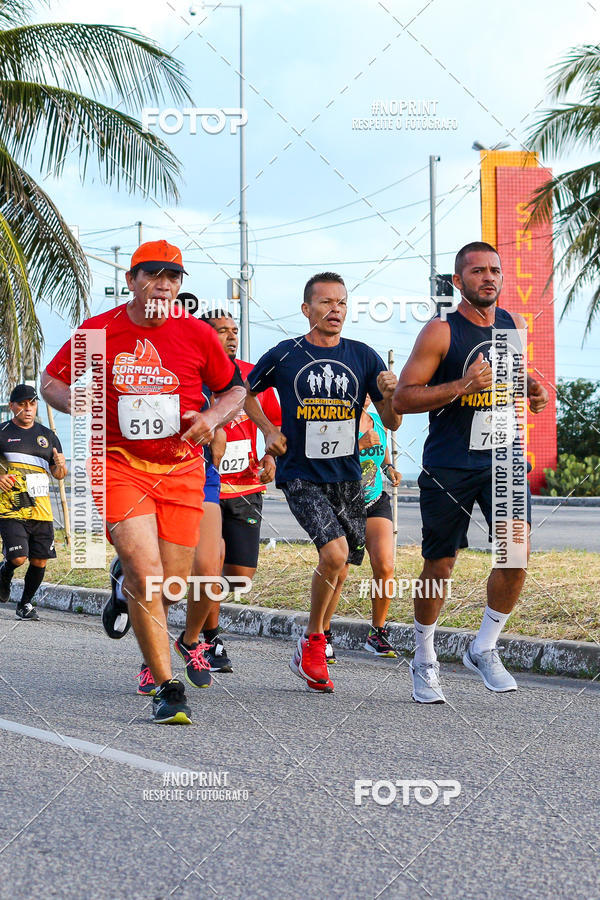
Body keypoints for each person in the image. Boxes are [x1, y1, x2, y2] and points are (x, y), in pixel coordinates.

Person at [42, 240, 245, 724]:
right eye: (153, 274)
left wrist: (212, 417)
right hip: (118, 463)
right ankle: (167, 687)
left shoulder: (197, 334)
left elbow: (235, 387)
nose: (164, 284)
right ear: (132, 280)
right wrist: (79, 402)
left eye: (174, 277)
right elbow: (51, 381)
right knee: (144, 568)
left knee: (171, 585)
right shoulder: (99, 330)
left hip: (180, 469)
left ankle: (123, 587)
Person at [393, 241, 549, 703]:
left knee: (516, 554)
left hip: (502, 458)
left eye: (495, 270)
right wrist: (462, 385)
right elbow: (402, 399)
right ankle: (424, 656)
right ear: (458, 281)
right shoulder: (440, 332)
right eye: (477, 271)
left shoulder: (512, 324)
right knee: (440, 564)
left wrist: (532, 389)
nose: (488, 278)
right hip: (449, 464)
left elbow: (511, 377)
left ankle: (483, 646)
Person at [246, 272, 402, 693]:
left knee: (342, 562)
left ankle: (316, 639)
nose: (336, 310)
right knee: (333, 553)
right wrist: (266, 429)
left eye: (342, 303)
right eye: (326, 303)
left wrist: (391, 396)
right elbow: (244, 393)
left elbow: (390, 421)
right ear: (306, 309)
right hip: (300, 474)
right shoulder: (285, 354)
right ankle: (314, 641)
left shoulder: (364, 356)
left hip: (348, 475)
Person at [191, 308, 281, 671]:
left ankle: (198, 597)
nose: (230, 336)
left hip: (244, 487)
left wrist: (270, 457)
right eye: (220, 330)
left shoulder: (248, 374)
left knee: (240, 576)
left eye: (233, 330)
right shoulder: (193, 373)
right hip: (204, 486)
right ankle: (209, 638)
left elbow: (272, 420)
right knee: (211, 564)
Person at [0, 384, 67, 619]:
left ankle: (25, 604)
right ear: (12, 406)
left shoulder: (48, 436)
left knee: (39, 560)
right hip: (11, 508)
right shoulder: (2, 432)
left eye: (32, 403)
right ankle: (5, 572)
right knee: (18, 557)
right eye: (22, 404)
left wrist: (60, 466)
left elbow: (58, 474)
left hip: (41, 510)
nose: (28, 409)